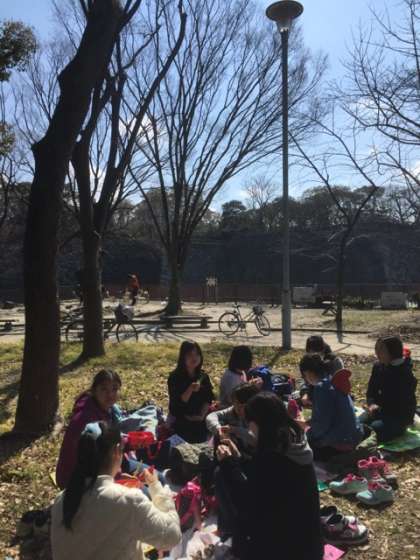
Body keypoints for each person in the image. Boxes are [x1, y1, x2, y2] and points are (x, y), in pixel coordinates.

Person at [51, 421, 181, 560]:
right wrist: (155, 485)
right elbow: (172, 537)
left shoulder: (61, 500)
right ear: (117, 451)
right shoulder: (129, 500)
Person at [216, 392, 322, 560]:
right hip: (310, 544)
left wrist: (229, 464)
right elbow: (264, 483)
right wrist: (239, 458)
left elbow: (246, 501)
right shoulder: (294, 441)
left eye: (250, 423)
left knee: (221, 476)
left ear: (260, 424)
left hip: (284, 550)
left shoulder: (273, 459)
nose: (249, 429)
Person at [56, 369, 123, 489]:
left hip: (101, 469)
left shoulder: (107, 410)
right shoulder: (86, 420)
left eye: (114, 389)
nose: (110, 394)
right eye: (104, 389)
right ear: (94, 391)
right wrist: (119, 475)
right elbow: (93, 460)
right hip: (77, 482)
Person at [300, 354, 363, 461]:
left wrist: (308, 432)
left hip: (341, 443)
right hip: (354, 436)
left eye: (304, 376)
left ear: (308, 373)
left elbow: (321, 425)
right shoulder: (331, 380)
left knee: (301, 447)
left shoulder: (321, 388)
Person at [363, 336, 417, 442]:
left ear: (393, 351)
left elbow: (401, 403)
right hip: (378, 411)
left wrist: (378, 409)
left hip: (398, 416)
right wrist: (372, 404)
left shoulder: (404, 373)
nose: (377, 352)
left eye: (381, 349)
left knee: (373, 429)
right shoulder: (378, 366)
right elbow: (371, 391)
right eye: (376, 348)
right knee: (355, 423)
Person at [168, 341, 214, 443]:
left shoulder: (203, 376)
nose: (194, 358)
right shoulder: (175, 377)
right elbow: (176, 406)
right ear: (182, 357)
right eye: (190, 355)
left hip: (200, 417)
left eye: (197, 354)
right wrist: (189, 390)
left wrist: (202, 415)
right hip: (182, 418)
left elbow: (208, 398)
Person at [207, 382, 260, 453]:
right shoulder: (232, 411)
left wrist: (234, 430)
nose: (238, 408)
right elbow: (211, 416)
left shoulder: (260, 416)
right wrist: (219, 429)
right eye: (236, 403)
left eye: (243, 405)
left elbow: (256, 439)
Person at [300, 336, 344, 408]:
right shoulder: (307, 360)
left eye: (316, 353)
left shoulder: (334, 362)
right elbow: (304, 379)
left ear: (322, 350)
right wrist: (305, 393)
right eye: (311, 352)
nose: (314, 356)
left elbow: (338, 385)